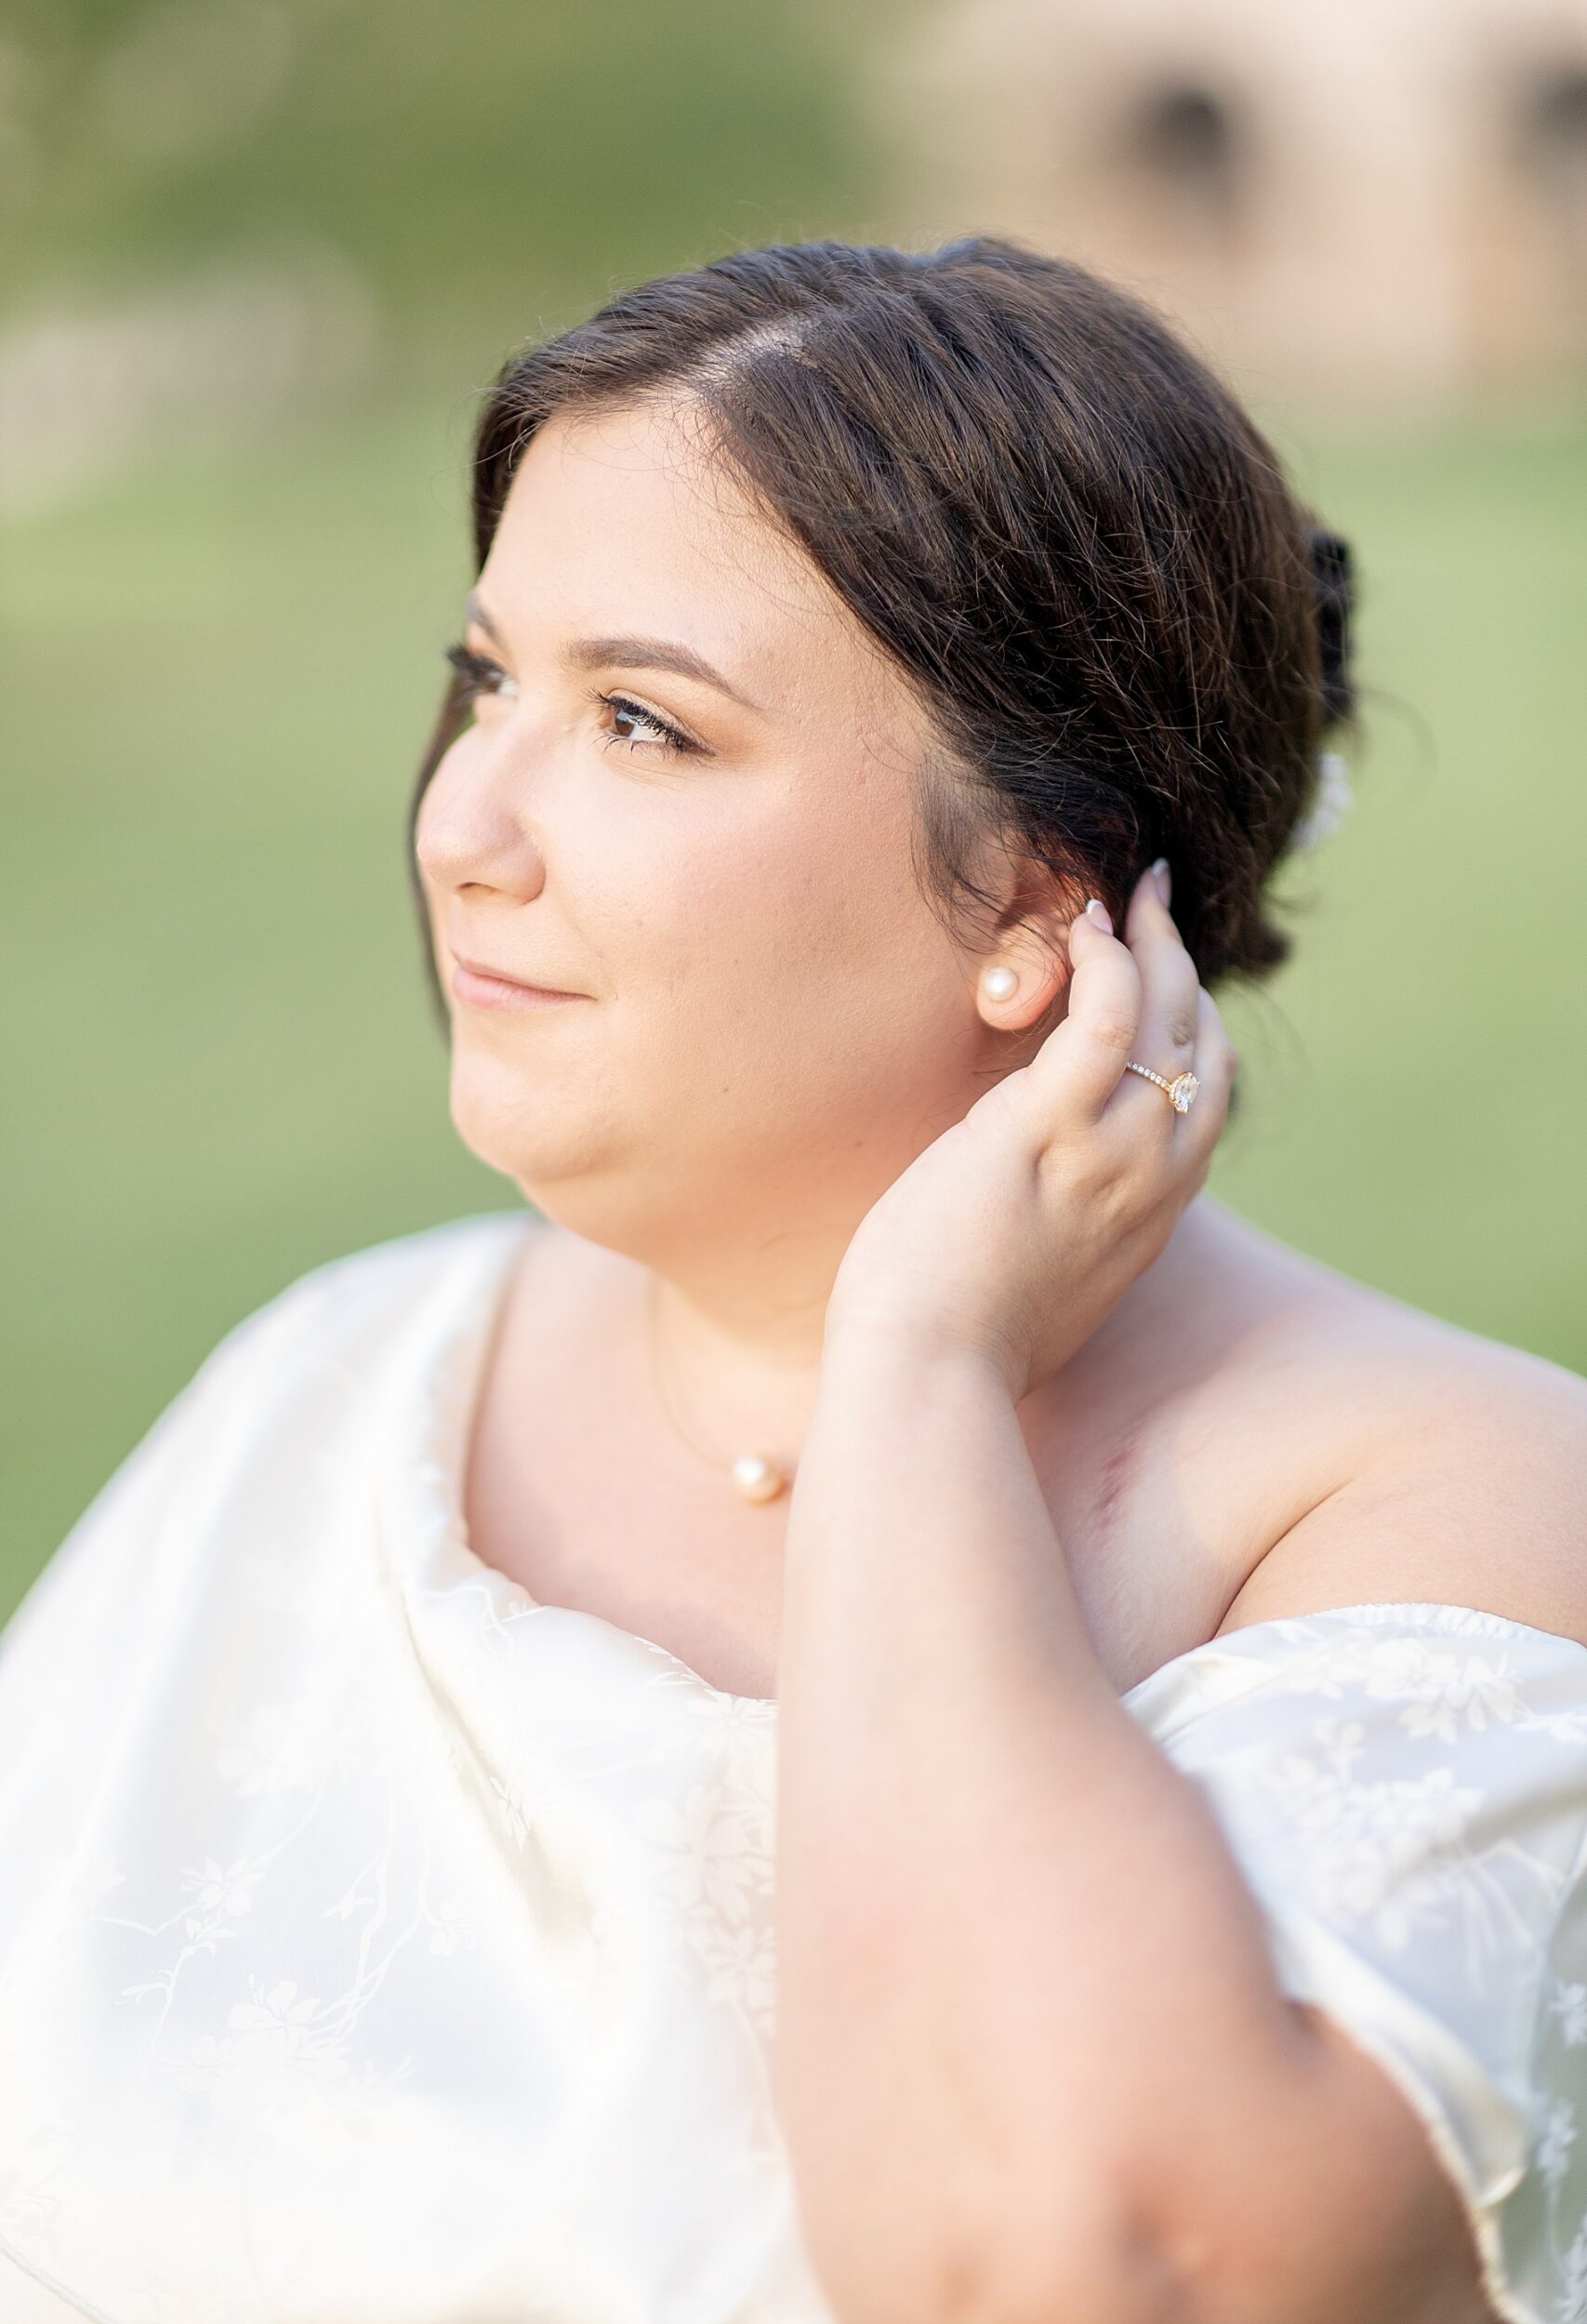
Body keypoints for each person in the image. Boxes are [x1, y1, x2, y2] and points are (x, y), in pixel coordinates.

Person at [1, 236, 1582, 2324]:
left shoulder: (1450, 1508)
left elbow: (1084, 2264)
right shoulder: (339, 1375)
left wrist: (913, 1376)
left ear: (1036, 896)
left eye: (640, 722)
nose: (466, 817)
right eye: (489, 681)